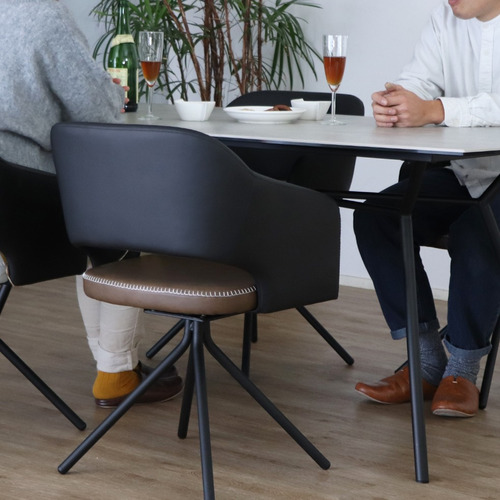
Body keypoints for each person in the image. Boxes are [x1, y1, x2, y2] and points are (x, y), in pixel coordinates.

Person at [0, 0, 182, 408]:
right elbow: (96, 109)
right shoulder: (43, 16)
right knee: (121, 217)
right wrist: (112, 90)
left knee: (98, 218)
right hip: (19, 204)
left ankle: (117, 363)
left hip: (9, 205)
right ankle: (115, 371)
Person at [353, 0, 500, 418]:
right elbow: (418, 79)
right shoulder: (445, 18)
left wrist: (435, 110)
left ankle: (463, 371)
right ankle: (428, 361)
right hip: (465, 171)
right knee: (378, 217)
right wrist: (397, 101)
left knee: (477, 230)